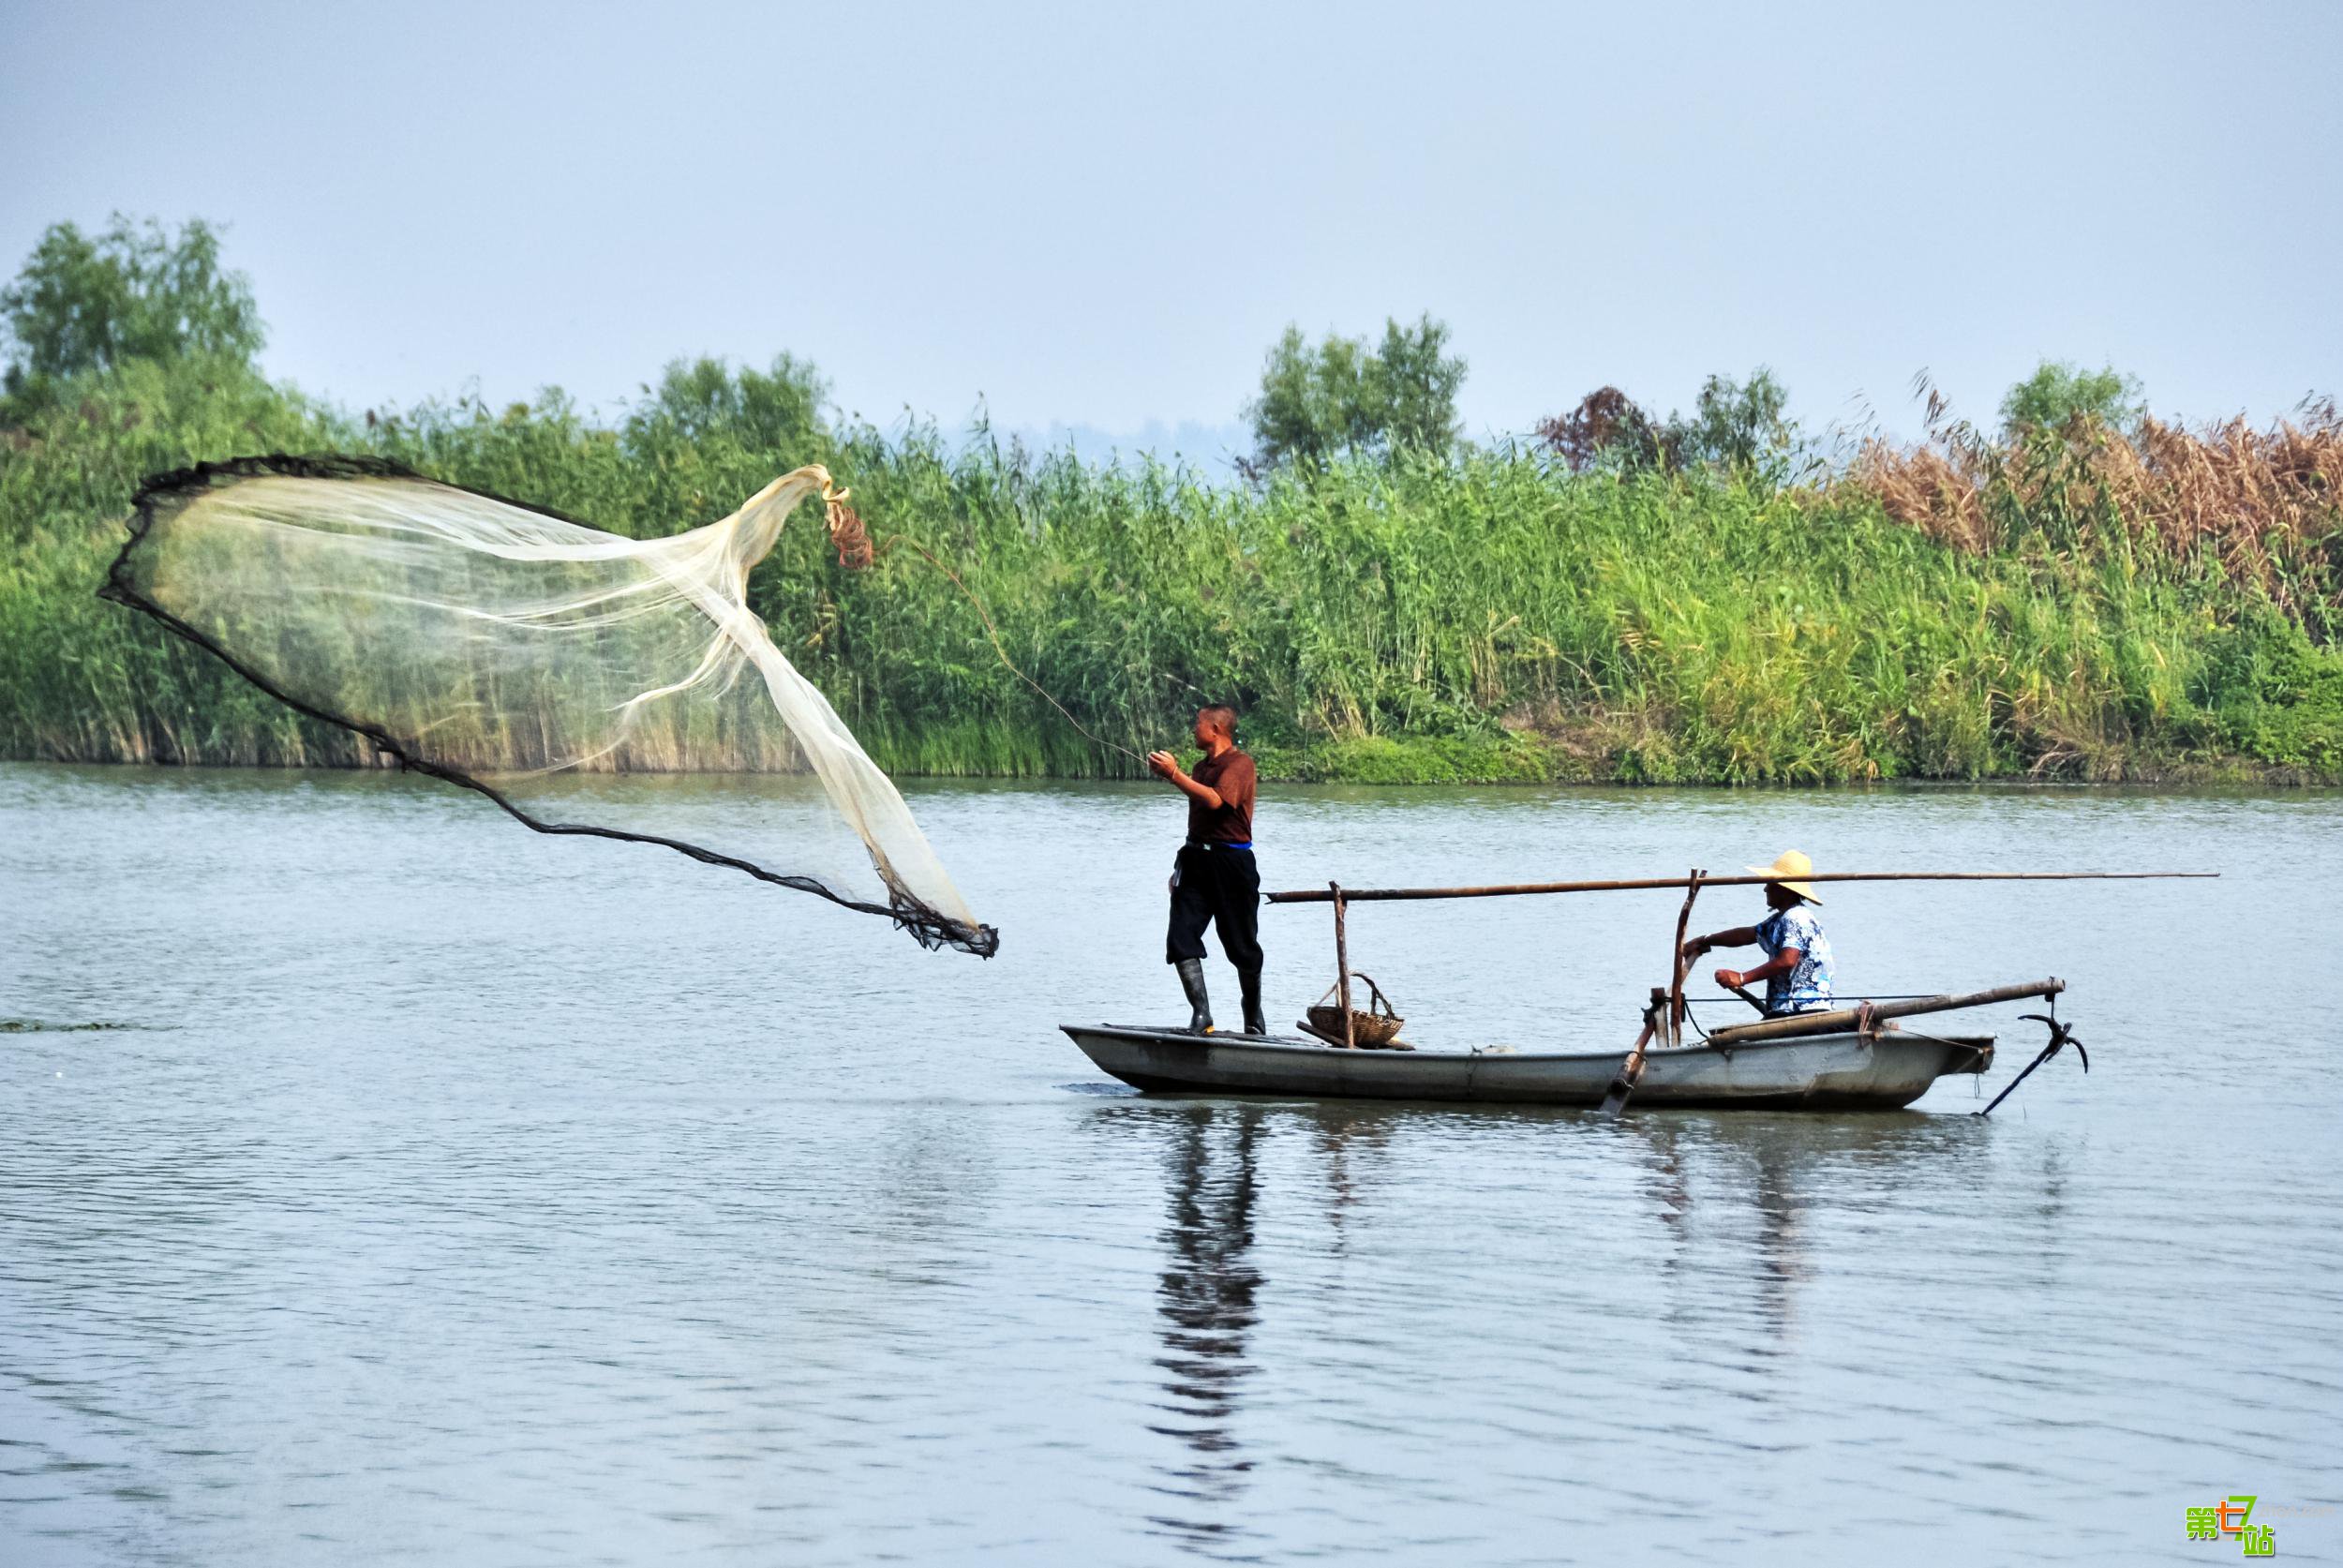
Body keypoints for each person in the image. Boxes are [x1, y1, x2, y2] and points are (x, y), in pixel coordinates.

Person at [1147, 705, 1265, 1035]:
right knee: (1180, 939)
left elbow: (1215, 801)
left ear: (1215, 729)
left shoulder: (1240, 765)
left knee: (1242, 945)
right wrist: (1180, 865)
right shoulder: (1201, 767)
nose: (1193, 728)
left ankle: (1253, 1015)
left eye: (1197, 723)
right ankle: (1202, 1016)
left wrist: (1173, 774)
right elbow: (1200, 817)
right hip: (1196, 860)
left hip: (1232, 864)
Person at [1679, 850, 1836, 1017]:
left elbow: (1787, 960)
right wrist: (1705, 940)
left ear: (1785, 889)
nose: (1765, 889)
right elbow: (1748, 934)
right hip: (1790, 1009)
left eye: (1770, 883)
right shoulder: (1780, 919)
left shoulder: (1795, 918)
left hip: (1801, 1009)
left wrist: (1741, 978)